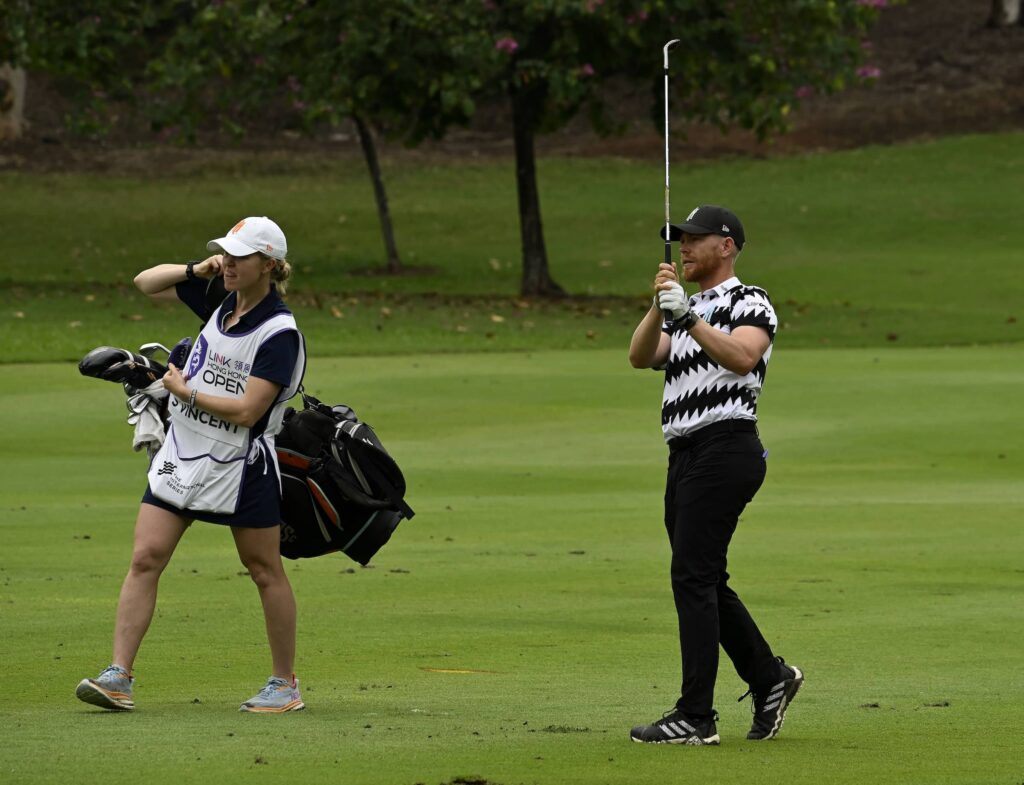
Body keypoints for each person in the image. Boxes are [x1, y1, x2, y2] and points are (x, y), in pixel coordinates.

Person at [76, 216, 307, 713]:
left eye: (240, 256)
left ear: (267, 265)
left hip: (242, 465)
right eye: (226, 252)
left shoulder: (279, 332)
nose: (229, 262)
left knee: (264, 570)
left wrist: (185, 391)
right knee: (145, 558)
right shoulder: (218, 298)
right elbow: (145, 283)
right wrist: (196, 267)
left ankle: (284, 684)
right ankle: (118, 676)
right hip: (183, 451)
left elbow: (249, 409)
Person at [627, 205, 802, 745]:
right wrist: (662, 307)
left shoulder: (751, 300)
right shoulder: (687, 305)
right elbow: (640, 356)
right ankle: (770, 678)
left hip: (728, 446)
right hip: (684, 455)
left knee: (692, 575)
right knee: (701, 575)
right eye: (680, 240)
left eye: (694, 239)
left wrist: (688, 319)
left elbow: (743, 357)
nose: (683, 248)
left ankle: (696, 716)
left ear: (726, 246)